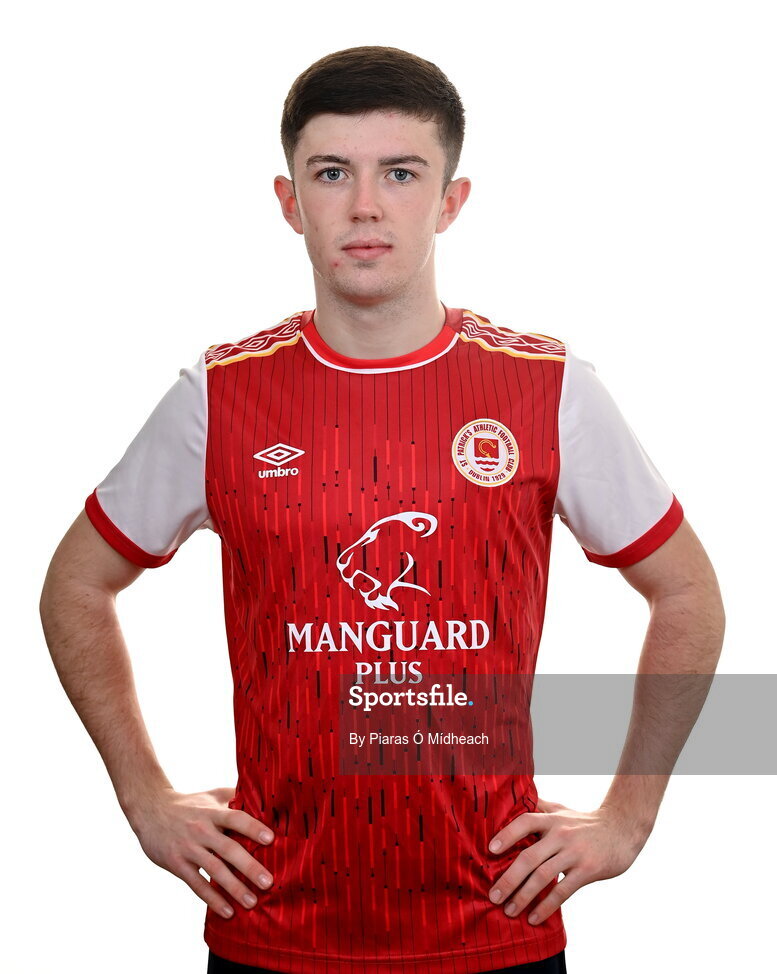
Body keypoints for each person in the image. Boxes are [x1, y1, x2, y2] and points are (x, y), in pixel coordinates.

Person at [39, 45, 725, 974]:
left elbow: (686, 594)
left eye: (400, 173)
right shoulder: (218, 397)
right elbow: (77, 583)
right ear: (289, 202)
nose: (365, 204)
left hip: (495, 925)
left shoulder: (546, 390)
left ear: (450, 199)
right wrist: (144, 797)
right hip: (273, 930)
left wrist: (628, 816)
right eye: (332, 173)